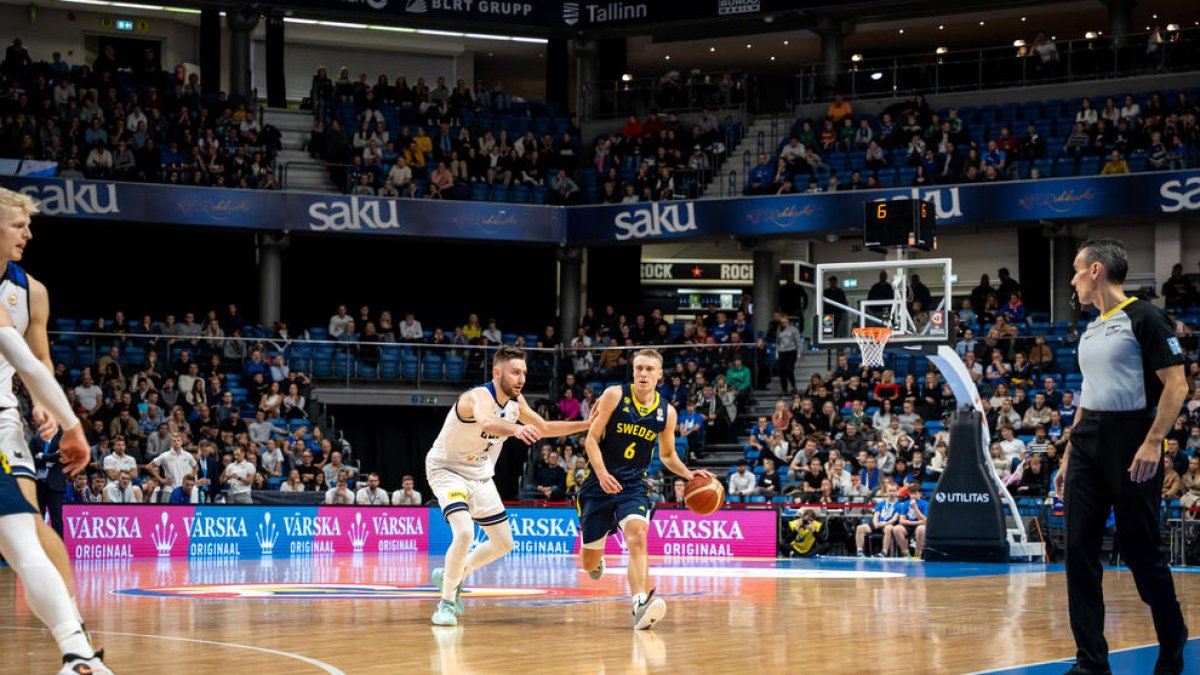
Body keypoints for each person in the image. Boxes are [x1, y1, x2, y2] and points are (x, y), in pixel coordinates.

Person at [1056, 238, 1188, 675]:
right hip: (1089, 439)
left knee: (1141, 553)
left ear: (1096, 271)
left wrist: (1153, 441)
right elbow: (1088, 394)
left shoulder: (1146, 317)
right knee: (1077, 550)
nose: (1072, 280)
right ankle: (1090, 662)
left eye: (1076, 271)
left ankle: (1173, 640)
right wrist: (1069, 450)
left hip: (1133, 438)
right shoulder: (1092, 328)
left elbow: (1177, 385)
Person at [0, 188, 105, 662]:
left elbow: (35, 360)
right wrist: (69, 422)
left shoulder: (30, 291)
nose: (28, 233)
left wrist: (46, 408)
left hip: (5, 418)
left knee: (28, 522)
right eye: (18, 224)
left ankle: (74, 630)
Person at [427, 347, 592, 626]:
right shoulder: (477, 397)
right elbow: (487, 421)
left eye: (524, 373)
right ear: (497, 372)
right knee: (465, 532)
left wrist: (589, 423)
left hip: (480, 476)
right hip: (448, 470)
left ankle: (452, 574)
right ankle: (445, 604)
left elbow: (545, 427)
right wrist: (515, 429)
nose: (521, 379)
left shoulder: (516, 403)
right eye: (515, 372)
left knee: (504, 544)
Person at [577, 349, 713, 630]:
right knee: (589, 564)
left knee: (638, 536)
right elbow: (590, 440)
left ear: (659, 374)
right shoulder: (615, 395)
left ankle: (640, 603)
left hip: (634, 485)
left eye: (649, 369)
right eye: (639, 368)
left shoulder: (667, 412)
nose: (643, 373)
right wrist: (601, 474)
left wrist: (688, 474)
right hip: (598, 483)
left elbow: (667, 455)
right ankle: (595, 559)